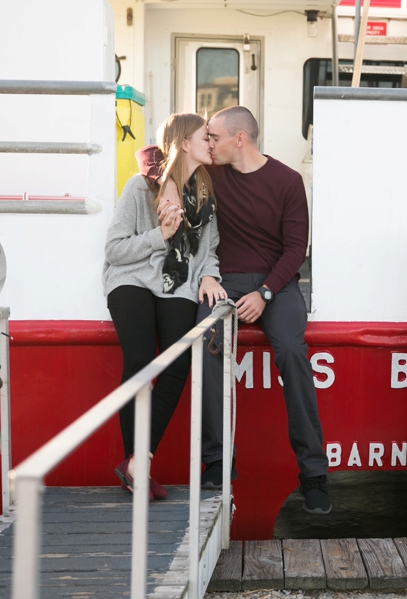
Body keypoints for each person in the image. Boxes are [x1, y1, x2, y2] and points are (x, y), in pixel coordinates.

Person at [199, 105, 330, 514]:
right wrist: (206, 275)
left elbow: (297, 250)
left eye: (214, 137)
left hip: (277, 284)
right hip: (225, 280)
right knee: (206, 344)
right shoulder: (210, 175)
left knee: (292, 353)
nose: (209, 144)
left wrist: (266, 293)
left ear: (240, 139)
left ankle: (313, 475)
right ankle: (219, 462)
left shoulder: (288, 181)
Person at [102, 112, 228, 500]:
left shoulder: (205, 195)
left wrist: (210, 275)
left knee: (176, 365)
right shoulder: (140, 189)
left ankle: (138, 463)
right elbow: (114, 250)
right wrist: (161, 236)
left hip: (180, 286)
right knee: (140, 362)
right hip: (132, 281)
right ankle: (137, 464)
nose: (211, 143)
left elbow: (209, 252)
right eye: (204, 137)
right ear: (184, 143)